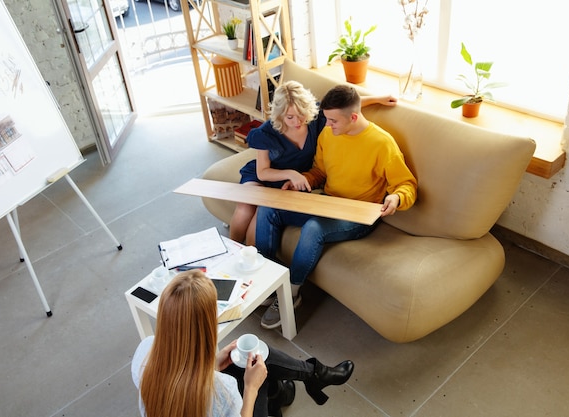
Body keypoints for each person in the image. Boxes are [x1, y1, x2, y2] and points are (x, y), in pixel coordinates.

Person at [255, 84, 418, 330]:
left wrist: (396, 198)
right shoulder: (329, 135)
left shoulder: (382, 144)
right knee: (269, 208)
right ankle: (268, 280)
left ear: (353, 117)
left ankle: (290, 293)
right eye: (326, 119)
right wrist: (303, 181)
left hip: (359, 214)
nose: (327, 125)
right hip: (327, 202)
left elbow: (406, 184)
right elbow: (320, 170)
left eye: (332, 121)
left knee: (313, 227)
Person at [131, 269, 355, 417]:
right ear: (207, 327)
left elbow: (178, 379)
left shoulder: (145, 350)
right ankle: (295, 386)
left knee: (249, 358)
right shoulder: (221, 392)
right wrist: (250, 389)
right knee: (261, 378)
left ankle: (312, 376)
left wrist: (214, 365)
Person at [230, 80, 397, 246]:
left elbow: (346, 108)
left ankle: (251, 259)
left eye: (301, 114)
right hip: (267, 174)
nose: (297, 121)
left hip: (294, 181)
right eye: (290, 117)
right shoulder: (267, 132)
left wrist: (378, 99)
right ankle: (230, 251)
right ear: (280, 114)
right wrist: (291, 173)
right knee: (246, 205)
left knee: (261, 211)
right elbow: (263, 172)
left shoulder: (315, 118)